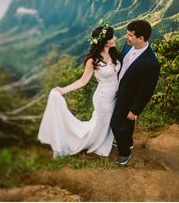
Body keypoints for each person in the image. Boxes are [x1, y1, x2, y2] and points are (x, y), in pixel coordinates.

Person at [38, 24, 121, 157]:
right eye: (112, 37)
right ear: (104, 41)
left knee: (110, 121)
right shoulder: (93, 61)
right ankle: (93, 142)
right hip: (103, 98)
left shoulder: (115, 53)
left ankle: (108, 140)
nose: (115, 38)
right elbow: (83, 81)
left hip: (116, 96)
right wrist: (63, 90)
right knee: (102, 122)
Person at [111, 20, 160, 165]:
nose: (126, 37)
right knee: (127, 122)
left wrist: (135, 110)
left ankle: (125, 152)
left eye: (130, 35)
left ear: (141, 38)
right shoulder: (128, 45)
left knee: (116, 124)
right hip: (117, 90)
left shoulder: (152, 63)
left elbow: (147, 90)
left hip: (129, 98)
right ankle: (129, 141)